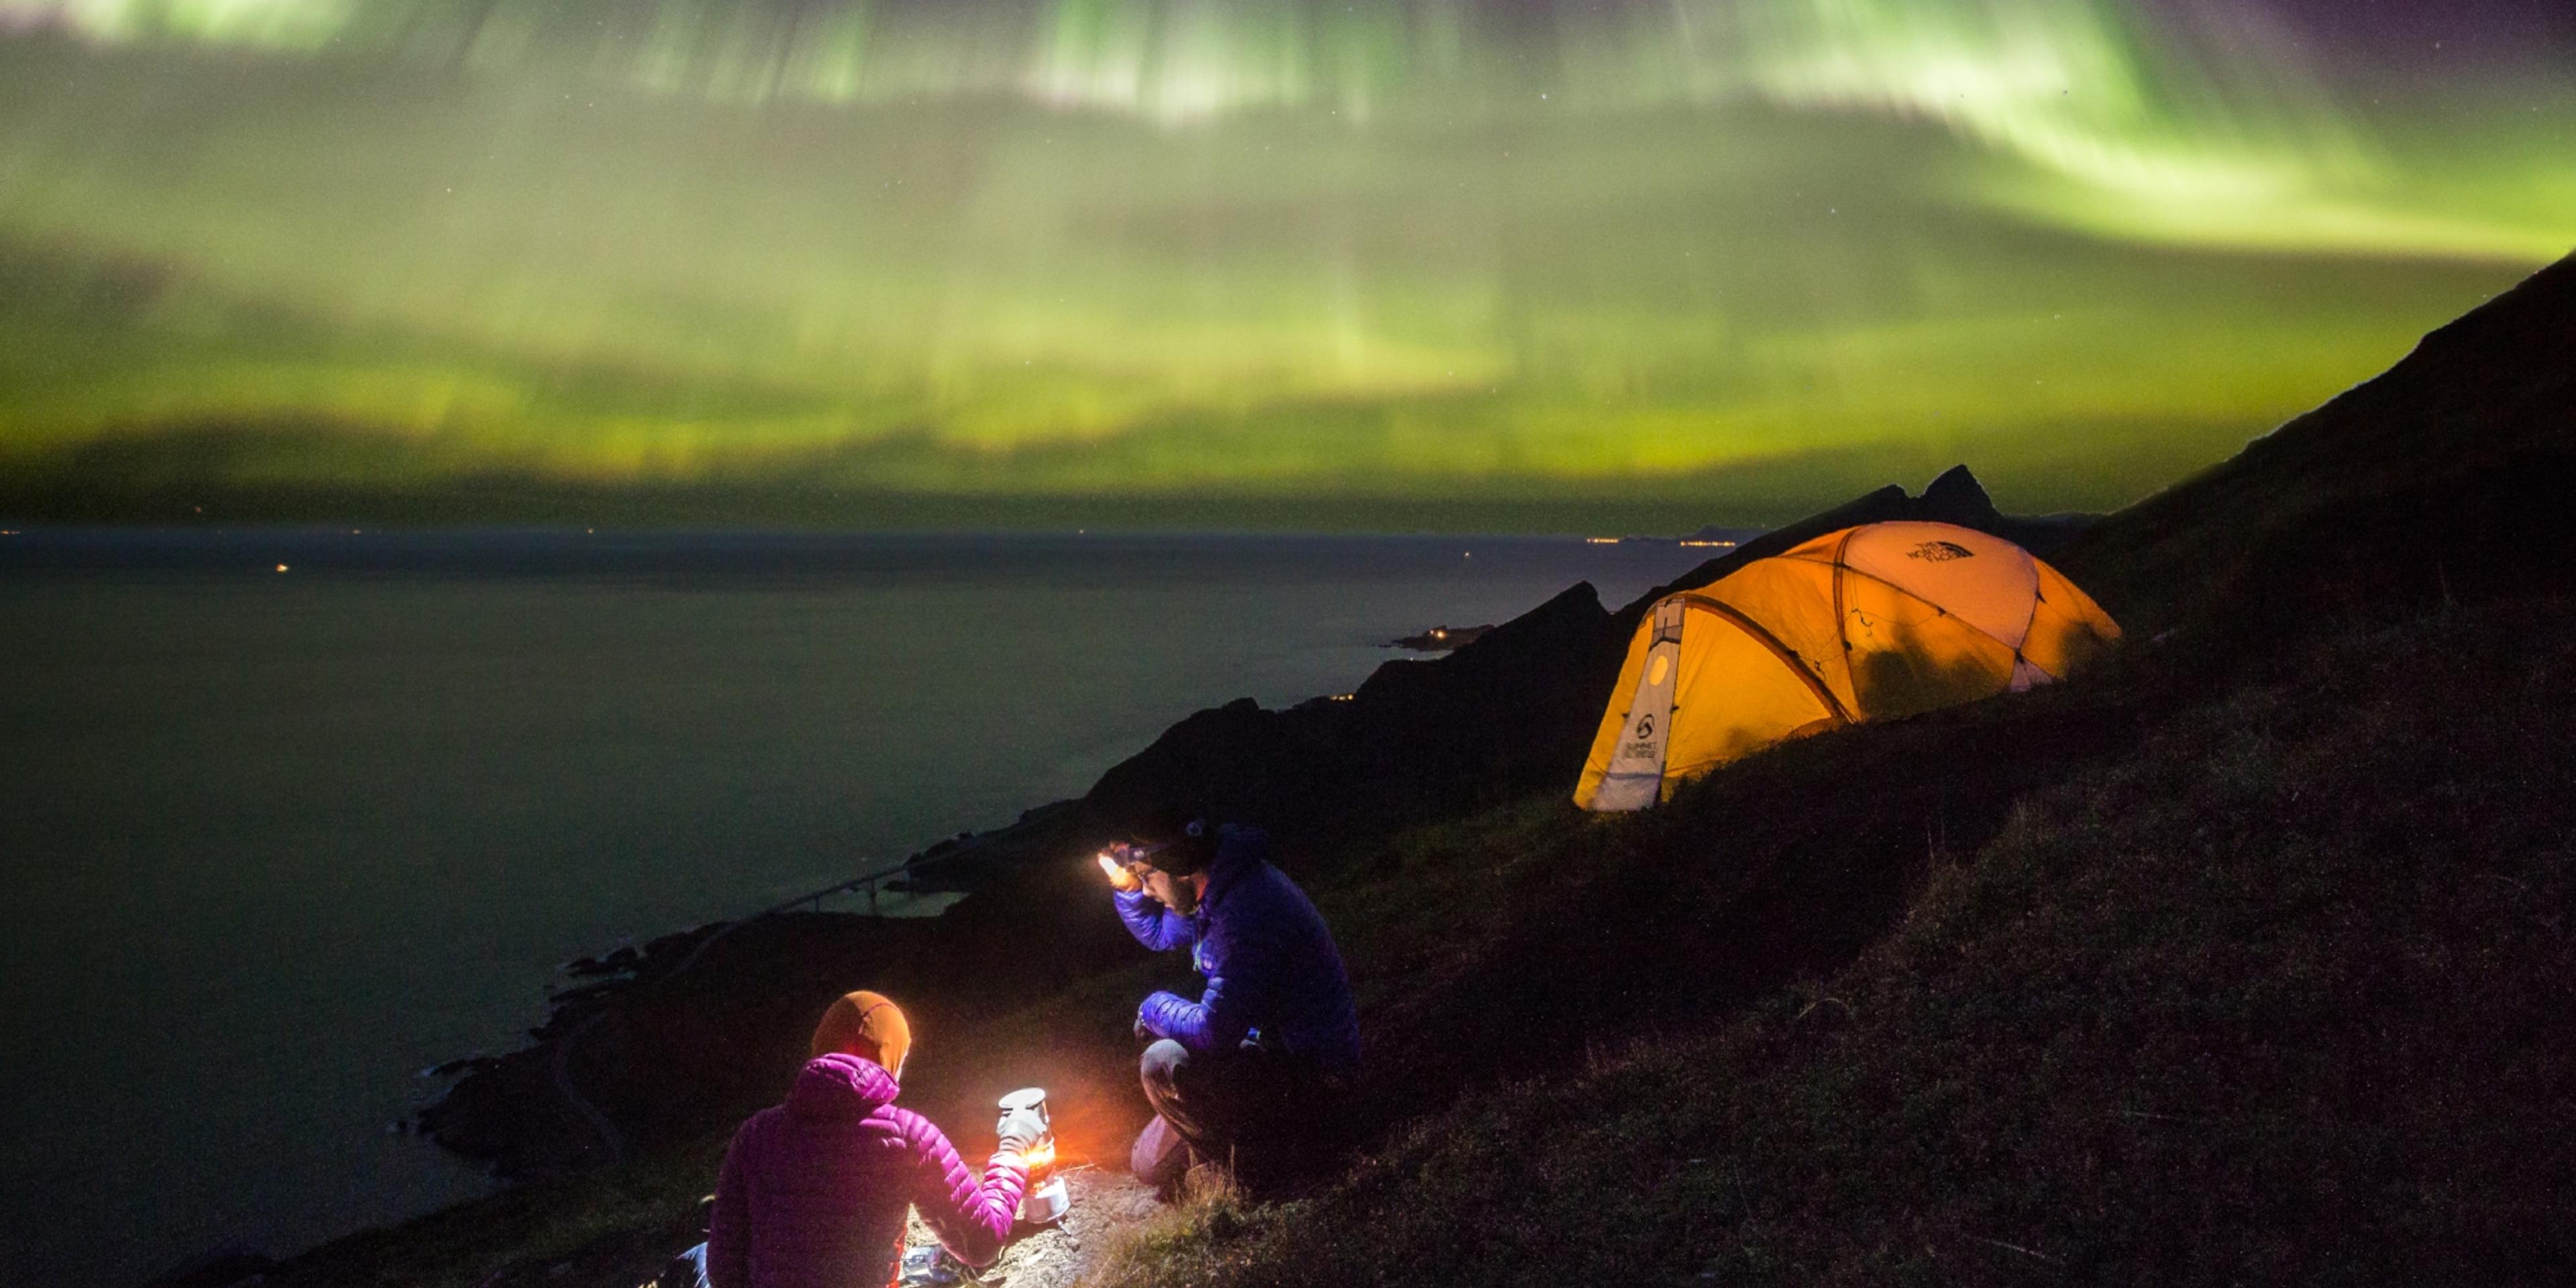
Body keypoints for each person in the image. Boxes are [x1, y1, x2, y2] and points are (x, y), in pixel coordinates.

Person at [676, 990, 1046, 1288]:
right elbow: (982, 1244)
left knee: (697, 1256)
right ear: (893, 1061)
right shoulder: (909, 1137)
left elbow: (724, 1271)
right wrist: (1013, 1149)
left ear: (819, 1050)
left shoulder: (755, 1134)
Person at [1098, 813, 1361, 1193]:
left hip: (1316, 1075)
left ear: (1182, 870)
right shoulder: (1214, 890)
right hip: (1266, 1045)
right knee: (1149, 1164)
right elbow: (1159, 934)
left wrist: (1153, 1008)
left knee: (1161, 1061)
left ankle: (1251, 1173)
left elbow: (1214, 1032)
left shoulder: (1245, 913)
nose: (1148, 893)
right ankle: (1235, 1146)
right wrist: (1126, 887)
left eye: (1148, 879)